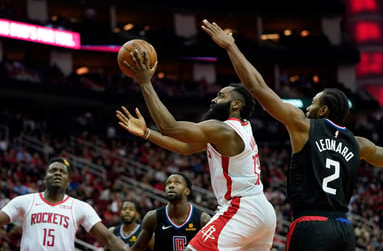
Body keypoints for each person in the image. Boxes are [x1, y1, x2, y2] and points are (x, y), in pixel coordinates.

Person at [201, 19, 383, 251]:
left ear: (323, 110)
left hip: (311, 225)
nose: (307, 108)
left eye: (312, 103)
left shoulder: (304, 126)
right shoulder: (358, 143)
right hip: (343, 227)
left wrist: (231, 47)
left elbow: (256, 87)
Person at [116, 57, 277, 249]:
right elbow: (185, 147)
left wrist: (144, 82)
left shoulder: (222, 129)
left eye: (221, 96)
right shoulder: (241, 129)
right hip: (263, 211)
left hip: (243, 208)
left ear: (235, 105)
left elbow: (170, 127)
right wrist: (147, 133)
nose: (213, 99)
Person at [0, 157, 129, 251]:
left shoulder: (80, 207)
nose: (57, 173)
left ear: (68, 181)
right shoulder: (24, 201)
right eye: (53, 170)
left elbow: (108, 238)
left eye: (63, 172)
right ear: (45, 178)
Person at [129, 173, 211, 251]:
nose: (171, 186)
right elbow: (137, 249)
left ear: (187, 191)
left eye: (177, 183)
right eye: (168, 183)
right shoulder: (153, 217)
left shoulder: (203, 220)